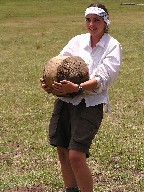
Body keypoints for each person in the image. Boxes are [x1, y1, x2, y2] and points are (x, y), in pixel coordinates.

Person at [40, 3, 122, 192]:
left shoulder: (112, 46)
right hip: (65, 101)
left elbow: (103, 79)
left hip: (90, 104)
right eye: (88, 20)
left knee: (76, 154)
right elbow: (57, 64)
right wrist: (48, 83)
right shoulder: (77, 41)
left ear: (105, 22)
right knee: (62, 150)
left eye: (96, 20)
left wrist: (77, 87)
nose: (91, 24)